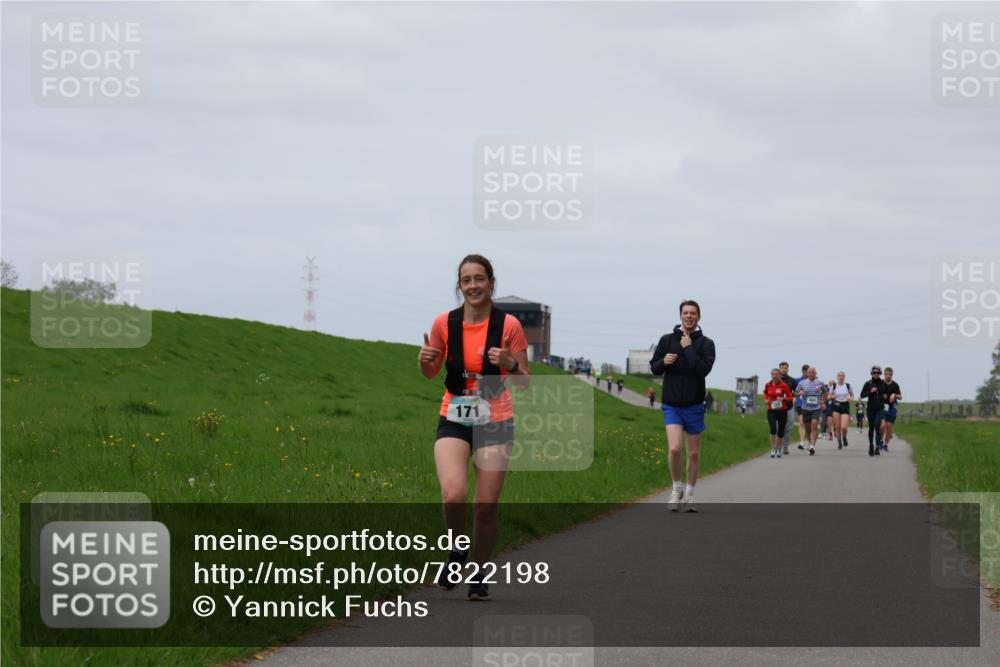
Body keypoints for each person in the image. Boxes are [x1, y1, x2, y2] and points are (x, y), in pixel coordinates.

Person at [418, 254, 530, 601]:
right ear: (459, 285)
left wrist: (511, 363)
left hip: (495, 418)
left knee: (485, 505)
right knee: (453, 494)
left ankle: (479, 573)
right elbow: (431, 373)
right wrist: (425, 361)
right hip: (454, 415)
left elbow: (524, 382)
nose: (473, 286)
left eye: (479, 279)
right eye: (466, 280)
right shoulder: (445, 323)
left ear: (491, 282)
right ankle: (457, 550)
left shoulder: (509, 325)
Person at [650, 300, 716, 512]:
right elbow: (654, 368)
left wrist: (688, 348)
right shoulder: (666, 340)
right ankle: (676, 488)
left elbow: (703, 370)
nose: (689, 316)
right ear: (680, 316)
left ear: (699, 317)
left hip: (694, 405)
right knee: (675, 448)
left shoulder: (706, 344)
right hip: (671, 404)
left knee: (693, 453)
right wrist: (663, 362)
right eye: (685, 313)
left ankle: (690, 493)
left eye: (693, 313)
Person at [795, 367, 827, 456]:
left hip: (816, 408)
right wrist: (799, 393)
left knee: (814, 425)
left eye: (813, 372)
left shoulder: (820, 382)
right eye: (810, 372)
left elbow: (825, 392)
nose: (811, 373)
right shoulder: (802, 383)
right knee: (808, 428)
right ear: (807, 373)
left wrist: (824, 403)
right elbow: (795, 393)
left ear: (816, 373)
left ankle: (812, 446)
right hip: (805, 408)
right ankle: (810, 444)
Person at [763, 368, 793, 458]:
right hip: (771, 410)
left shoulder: (784, 385)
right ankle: (772, 449)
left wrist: (783, 399)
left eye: (776, 374)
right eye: (773, 374)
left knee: (781, 431)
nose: (774, 376)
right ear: (771, 375)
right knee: (773, 429)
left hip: (782, 410)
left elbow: (790, 397)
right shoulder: (768, 384)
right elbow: (765, 393)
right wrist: (766, 400)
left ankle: (779, 449)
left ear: (779, 375)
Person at [860, 366, 888, 457]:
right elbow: (862, 395)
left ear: (880, 374)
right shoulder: (868, 383)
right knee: (871, 428)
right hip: (870, 408)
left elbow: (887, 395)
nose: (876, 374)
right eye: (874, 373)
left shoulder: (883, 383)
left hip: (880, 408)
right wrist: (870, 391)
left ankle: (877, 447)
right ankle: (871, 445)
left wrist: (886, 397)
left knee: (877, 425)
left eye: (878, 373)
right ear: (871, 374)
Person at [829, 372, 854, 449]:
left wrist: (850, 398)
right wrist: (832, 396)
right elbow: (828, 396)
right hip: (836, 406)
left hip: (845, 406)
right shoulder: (833, 386)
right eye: (839, 376)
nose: (841, 377)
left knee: (843, 427)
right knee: (837, 427)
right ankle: (839, 442)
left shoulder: (848, 386)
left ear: (844, 377)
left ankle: (844, 437)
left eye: (842, 376)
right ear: (837, 377)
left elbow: (852, 395)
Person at [881, 367, 903, 451]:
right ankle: (880, 441)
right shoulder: (880, 383)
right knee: (882, 426)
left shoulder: (895, 385)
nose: (888, 376)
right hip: (882, 407)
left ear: (892, 375)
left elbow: (900, 397)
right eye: (886, 374)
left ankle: (885, 444)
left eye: (889, 374)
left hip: (891, 407)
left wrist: (895, 395)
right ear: (884, 374)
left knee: (889, 427)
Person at [778, 362, 797, 455]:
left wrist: (794, 397)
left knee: (788, 427)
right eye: (782, 368)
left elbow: (796, 391)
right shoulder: (775, 380)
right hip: (778, 407)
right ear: (779, 369)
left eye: (785, 368)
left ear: (788, 369)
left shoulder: (792, 380)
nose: (783, 369)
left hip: (789, 406)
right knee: (778, 427)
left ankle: (785, 447)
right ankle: (778, 446)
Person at [795, 363, 809, 450]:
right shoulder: (797, 381)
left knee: (809, 424)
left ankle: (810, 442)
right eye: (804, 371)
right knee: (801, 423)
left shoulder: (815, 381)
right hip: (800, 404)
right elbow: (793, 392)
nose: (805, 373)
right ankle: (801, 442)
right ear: (802, 371)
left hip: (811, 405)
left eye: (807, 371)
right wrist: (796, 395)